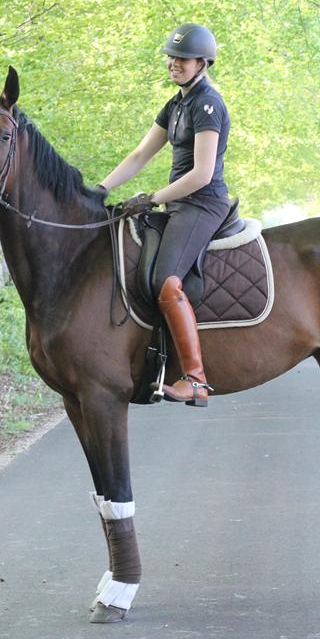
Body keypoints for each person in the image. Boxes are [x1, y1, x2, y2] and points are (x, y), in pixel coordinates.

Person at [99, 23, 233, 408]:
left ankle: (196, 379)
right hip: (178, 204)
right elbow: (141, 155)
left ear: (203, 63)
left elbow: (202, 174)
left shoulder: (208, 104)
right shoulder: (176, 105)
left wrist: (153, 197)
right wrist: (101, 189)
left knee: (166, 280)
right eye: (172, 57)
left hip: (203, 203)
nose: (174, 63)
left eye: (183, 58)